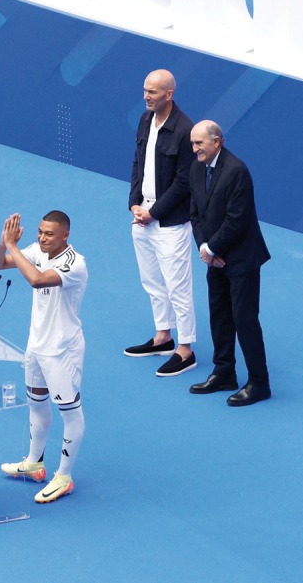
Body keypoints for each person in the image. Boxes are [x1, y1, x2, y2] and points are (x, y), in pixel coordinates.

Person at [0, 211, 88, 504]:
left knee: (70, 414)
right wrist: (3, 244)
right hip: (36, 346)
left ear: (65, 236)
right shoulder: (36, 250)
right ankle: (34, 464)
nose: (42, 238)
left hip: (62, 351)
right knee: (36, 403)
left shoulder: (75, 264)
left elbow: (37, 279)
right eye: (40, 232)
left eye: (49, 234)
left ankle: (64, 477)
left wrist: (14, 247)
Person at [186, 120, 271, 406]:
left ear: (217, 142)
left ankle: (259, 383)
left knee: (245, 320)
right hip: (214, 258)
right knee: (219, 315)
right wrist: (204, 247)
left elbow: (238, 219)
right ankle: (224, 372)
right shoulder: (196, 166)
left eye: (199, 143)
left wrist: (212, 247)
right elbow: (195, 212)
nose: (194, 148)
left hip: (242, 259)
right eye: (193, 143)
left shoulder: (237, 171)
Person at [124, 69, 198, 377]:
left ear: (169, 94)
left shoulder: (185, 130)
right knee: (152, 282)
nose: (146, 96)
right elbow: (137, 162)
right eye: (144, 90)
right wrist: (134, 203)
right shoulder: (145, 120)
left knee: (178, 286)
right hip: (142, 217)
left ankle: (186, 349)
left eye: (152, 92)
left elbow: (184, 182)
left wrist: (153, 213)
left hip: (170, 223)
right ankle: (163, 337)